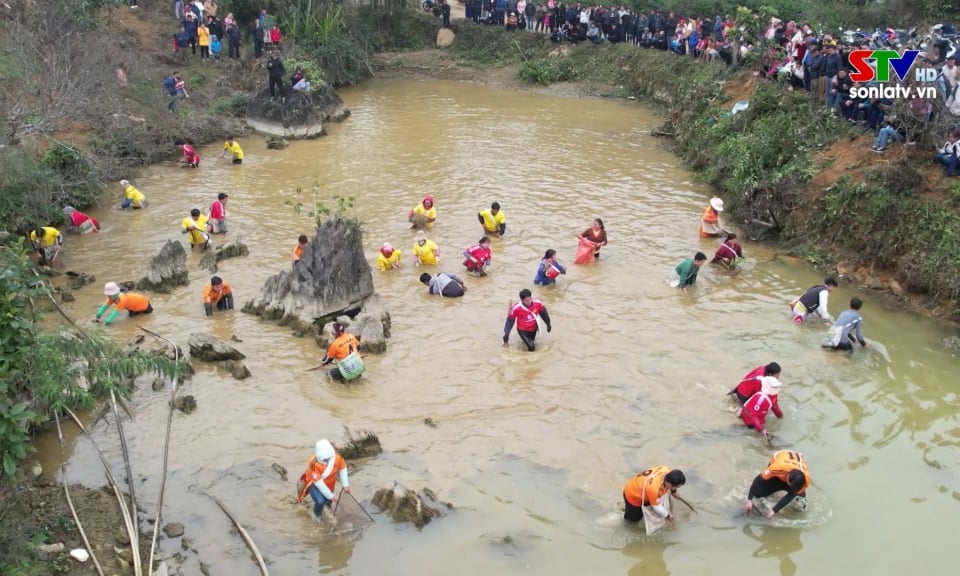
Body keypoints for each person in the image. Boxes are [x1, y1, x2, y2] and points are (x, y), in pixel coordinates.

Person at [296, 439, 350, 521]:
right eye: (325, 460)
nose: (327, 462)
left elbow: (343, 468)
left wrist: (345, 485)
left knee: (328, 504)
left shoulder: (337, 458)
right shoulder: (313, 464)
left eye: (329, 459)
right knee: (320, 501)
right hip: (313, 483)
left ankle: (325, 518)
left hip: (329, 484)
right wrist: (331, 496)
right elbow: (319, 483)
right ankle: (315, 517)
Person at [745, 450, 810, 518]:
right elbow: (758, 480)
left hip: (795, 470)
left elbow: (791, 494)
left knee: (801, 505)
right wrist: (749, 499)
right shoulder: (776, 468)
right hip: (780, 460)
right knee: (758, 494)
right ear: (787, 476)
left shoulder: (806, 479)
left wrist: (774, 510)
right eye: (791, 486)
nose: (791, 488)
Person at [622, 467, 687, 524]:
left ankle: (627, 510)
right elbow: (657, 507)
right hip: (633, 495)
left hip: (642, 487)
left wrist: (674, 491)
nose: (677, 488)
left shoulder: (666, 470)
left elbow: (671, 484)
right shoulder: (654, 489)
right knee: (633, 520)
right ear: (670, 485)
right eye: (677, 487)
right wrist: (668, 516)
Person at [738, 376, 783, 442]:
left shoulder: (773, 394)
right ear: (768, 387)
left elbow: (774, 406)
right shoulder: (761, 399)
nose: (777, 388)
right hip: (749, 422)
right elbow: (752, 415)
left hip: (759, 419)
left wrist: (780, 416)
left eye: (777, 386)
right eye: (775, 387)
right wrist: (761, 429)